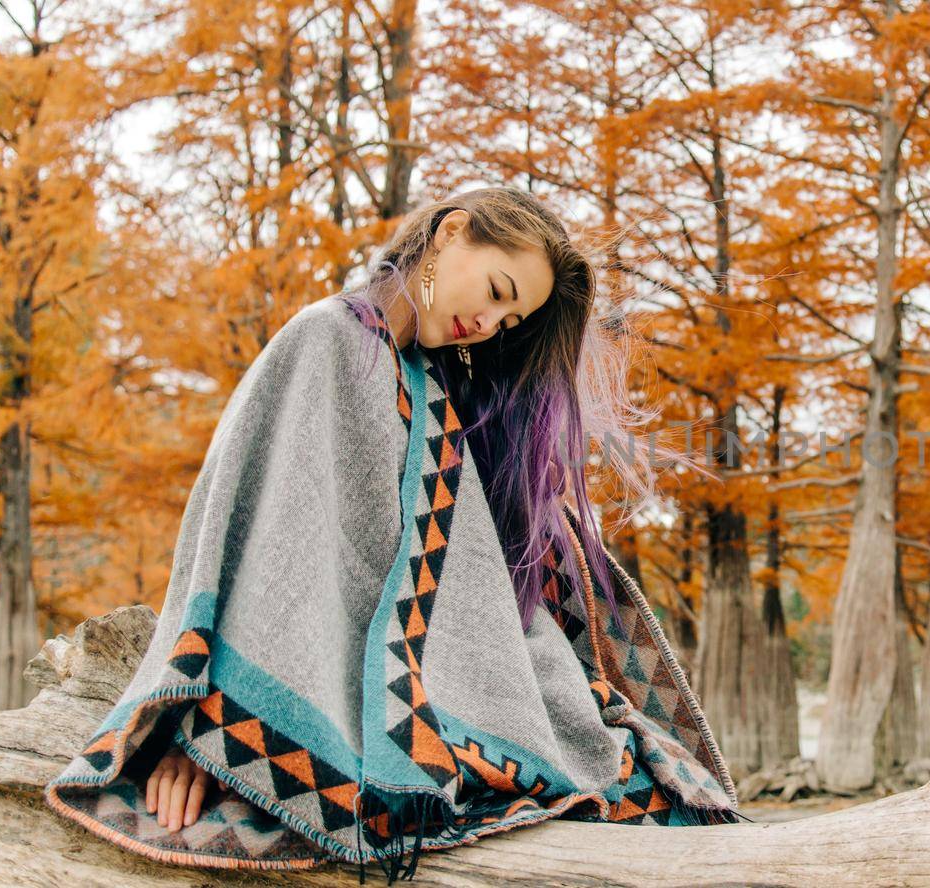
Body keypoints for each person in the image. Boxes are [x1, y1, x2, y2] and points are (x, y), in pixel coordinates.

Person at [45, 187, 742, 881]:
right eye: (498, 289)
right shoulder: (325, 340)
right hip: (357, 699)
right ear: (451, 233)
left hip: (446, 687)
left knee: (639, 774)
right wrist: (204, 737)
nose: (492, 321)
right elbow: (266, 546)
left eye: (510, 317)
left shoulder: (432, 386)